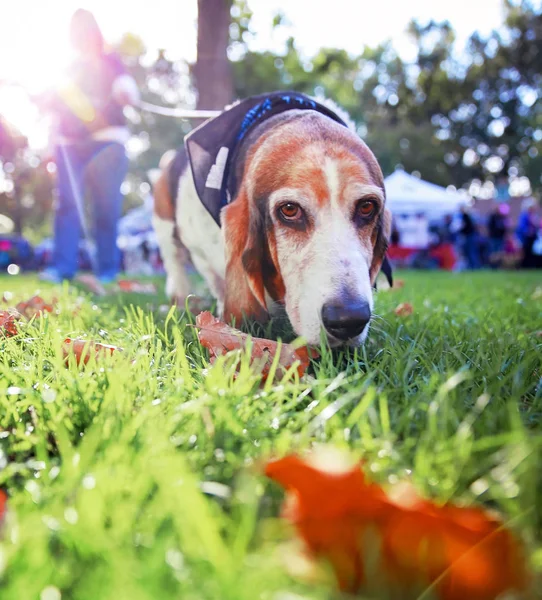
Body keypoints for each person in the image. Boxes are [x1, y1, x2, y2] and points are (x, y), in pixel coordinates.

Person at [39, 9, 140, 283]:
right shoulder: (67, 68)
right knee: (67, 207)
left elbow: (127, 87)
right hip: (69, 145)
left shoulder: (111, 61)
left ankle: (107, 270)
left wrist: (127, 92)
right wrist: (51, 145)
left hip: (107, 142)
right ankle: (62, 268)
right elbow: (53, 111)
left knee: (106, 208)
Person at [516, 199, 539, 269]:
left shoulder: (533, 215)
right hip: (525, 237)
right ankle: (525, 266)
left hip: (532, 237)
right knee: (525, 252)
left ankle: (531, 265)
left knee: (532, 252)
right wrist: (527, 231)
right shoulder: (524, 215)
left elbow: (536, 225)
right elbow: (521, 227)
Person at [487, 203, 508, 268]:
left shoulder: (502, 217)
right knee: (493, 252)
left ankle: (499, 266)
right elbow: (490, 227)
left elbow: (504, 227)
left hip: (500, 237)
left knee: (499, 252)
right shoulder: (492, 217)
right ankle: (493, 266)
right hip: (493, 237)